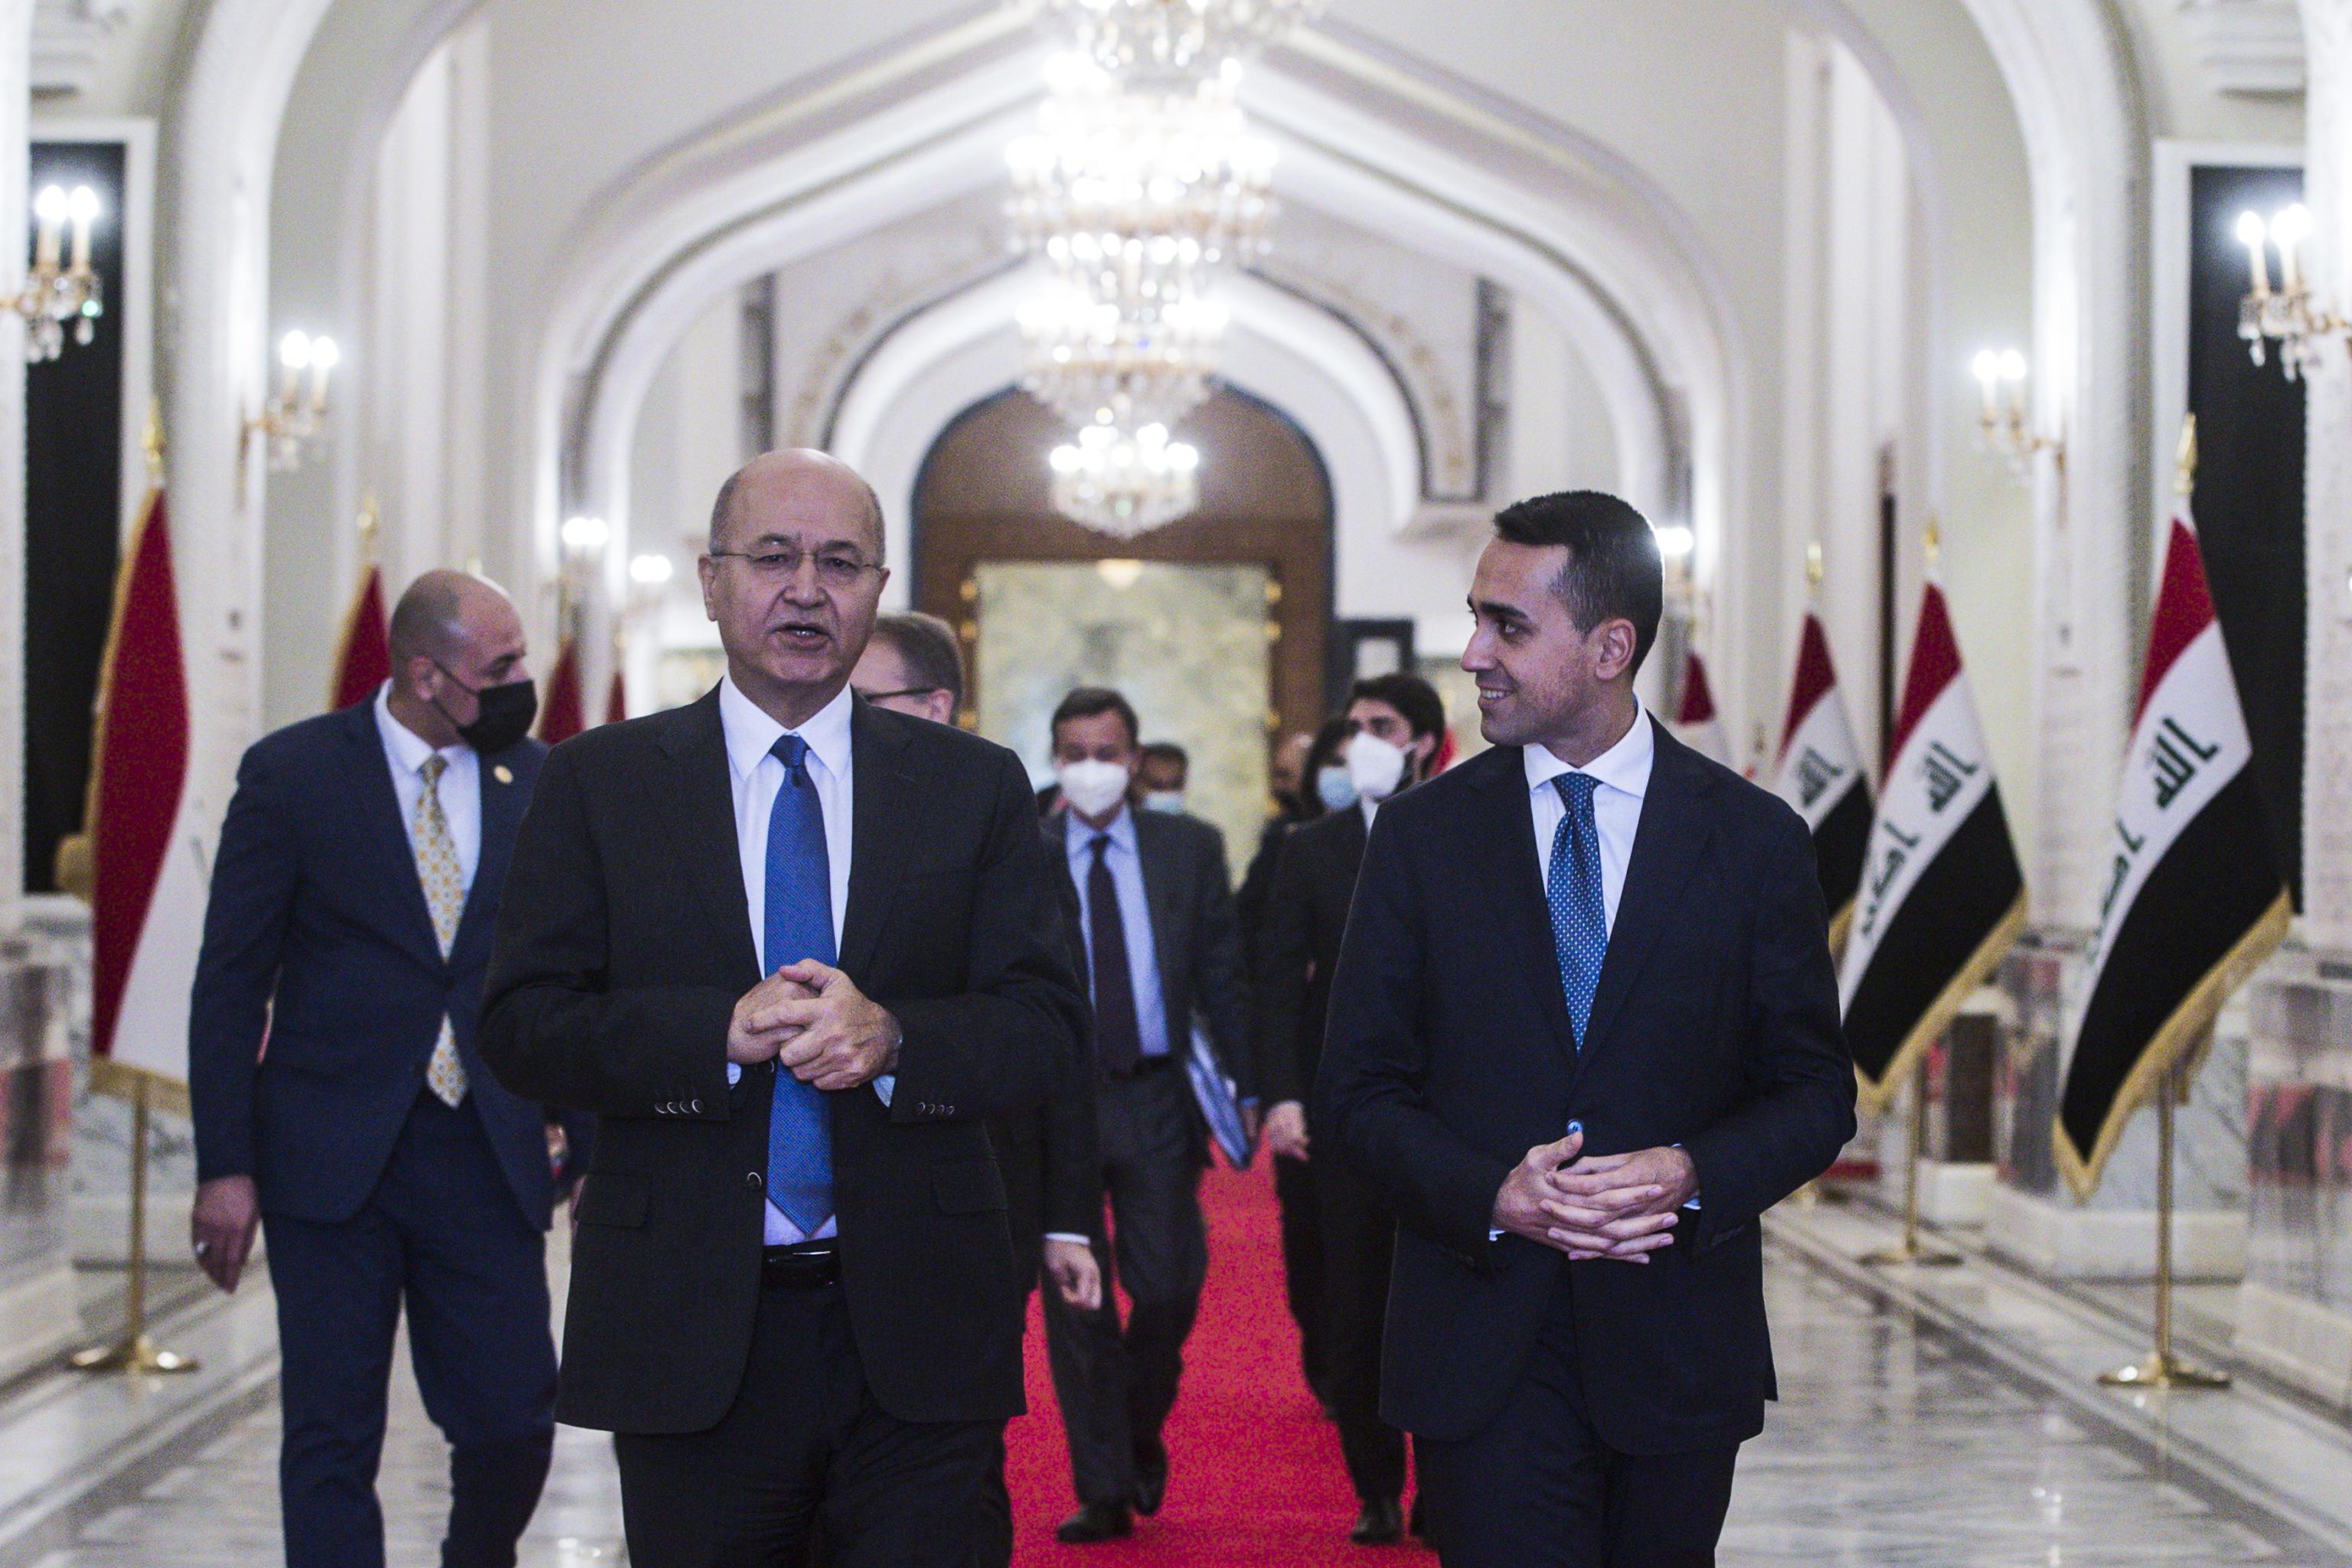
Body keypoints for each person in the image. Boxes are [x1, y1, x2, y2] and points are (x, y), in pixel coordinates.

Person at [479, 452, 1089, 1566]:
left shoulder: (972, 786)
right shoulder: (600, 783)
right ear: (712, 581)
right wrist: (708, 1032)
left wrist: (899, 1037)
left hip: (916, 1329)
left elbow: (1047, 1026)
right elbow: (522, 1024)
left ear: (878, 588)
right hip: (687, 1327)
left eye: (841, 563)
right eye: (773, 558)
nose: (807, 589)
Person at [1318, 491, 1856, 1568]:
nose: (1473, 652)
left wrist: (1689, 1169)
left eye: (1507, 625)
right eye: (1476, 616)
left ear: (1612, 646)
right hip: (1482, 1345)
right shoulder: (1421, 840)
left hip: (1675, 1347)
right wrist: (1493, 1195)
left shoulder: (1753, 841)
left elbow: (1813, 1095)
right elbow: (1358, 1095)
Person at [188, 570, 585, 1568]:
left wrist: (585, 1127)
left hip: (485, 1154)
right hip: (330, 1159)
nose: (520, 682)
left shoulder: (542, 783)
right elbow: (231, 982)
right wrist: (224, 1165)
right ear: (423, 672)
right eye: (499, 667)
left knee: (513, 1418)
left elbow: (579, 972)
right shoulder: (295, 775)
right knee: (330, 1433)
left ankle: (474, 1555)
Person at [849, 613, 1104, 1568]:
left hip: (977, 1199)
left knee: (947, 1474)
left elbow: (1057, 1040)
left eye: (866, 701)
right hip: (832, 1210)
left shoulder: (1001, 827)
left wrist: (1070, 1218)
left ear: (934, 706)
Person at [1039, 688, 1250, 1544]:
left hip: (1157, 1092)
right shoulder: (1023, 846)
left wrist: (1256, 1079)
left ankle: (1132, 1423)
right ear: (1055, 757)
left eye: (1108, 750)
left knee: (1169, 1283)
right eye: (1075, 750)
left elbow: (1223, 974)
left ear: (1133, 757)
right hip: (1057, 1101)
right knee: (1076, 1303)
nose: (1093, 765)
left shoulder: (1186, 847)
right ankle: (1104, 1484)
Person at [1253, 673, 1446, 1545]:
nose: (1360, 738)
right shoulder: (1313, 848)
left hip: (1451, 1118)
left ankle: (1445, 1482)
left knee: (1450, 1306)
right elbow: (1273, 986)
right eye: (1355, 724)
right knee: (1356, 1306)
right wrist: (1283, 1094)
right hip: (1347, 1116)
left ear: (1423, 742)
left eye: (1382, 724)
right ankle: (1376, 1483)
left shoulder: (1469, 832)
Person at [1233, 715, 1349, 1415]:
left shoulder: (1424, 835)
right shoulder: (1291, 847)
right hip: (1309, 1070)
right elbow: (1260, 968)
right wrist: (1273, 1089)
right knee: (1310, 1238)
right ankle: (1328, 1363)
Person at [1135, 742, 1190, 813]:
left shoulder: (1194, 824)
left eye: (1175, 785)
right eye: (1156, 786)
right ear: (1135, 785)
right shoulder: (1121, 823)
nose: (1167, 793)